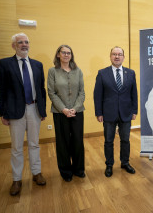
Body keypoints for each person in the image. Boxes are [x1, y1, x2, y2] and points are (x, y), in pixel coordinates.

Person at [0, 33, 47, 196]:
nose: (24, 45)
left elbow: (41, 89)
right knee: (16, 147)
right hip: (15, 111)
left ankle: (36, 173)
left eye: (26, 42)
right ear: (13, 46)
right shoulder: (4, 64)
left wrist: (42, 110)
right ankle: (16, 179)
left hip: (34, 109)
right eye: (20, 42)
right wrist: (3, 112)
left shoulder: (37, 65)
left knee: (34, 144)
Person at [93, 46, 138, 177]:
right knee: (108, 141)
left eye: (119, 54)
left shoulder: (130, 73)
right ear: (110, 56)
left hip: (126, 112)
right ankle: (109, 164)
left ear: (123, 57)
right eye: (114, 54)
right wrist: (99, 113)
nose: (117, 56)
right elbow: (98, 95)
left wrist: (134, 110)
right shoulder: (102, 73)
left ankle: (125, 162)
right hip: (108, 113)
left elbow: (134, 93)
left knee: (125, 140)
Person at [47, 45, 85, 182]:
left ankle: (79, 169)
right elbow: (51, 92)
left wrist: (75, 108)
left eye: (69, 53)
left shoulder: (78, 71)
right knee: (63, 142)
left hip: (77, 111)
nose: (66, 55)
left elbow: (82, 92)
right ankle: (65, 172)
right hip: (59, 112)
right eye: (63, 52)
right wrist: (63, 109)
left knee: (77, 141)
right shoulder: (52, 71)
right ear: (58, 55)